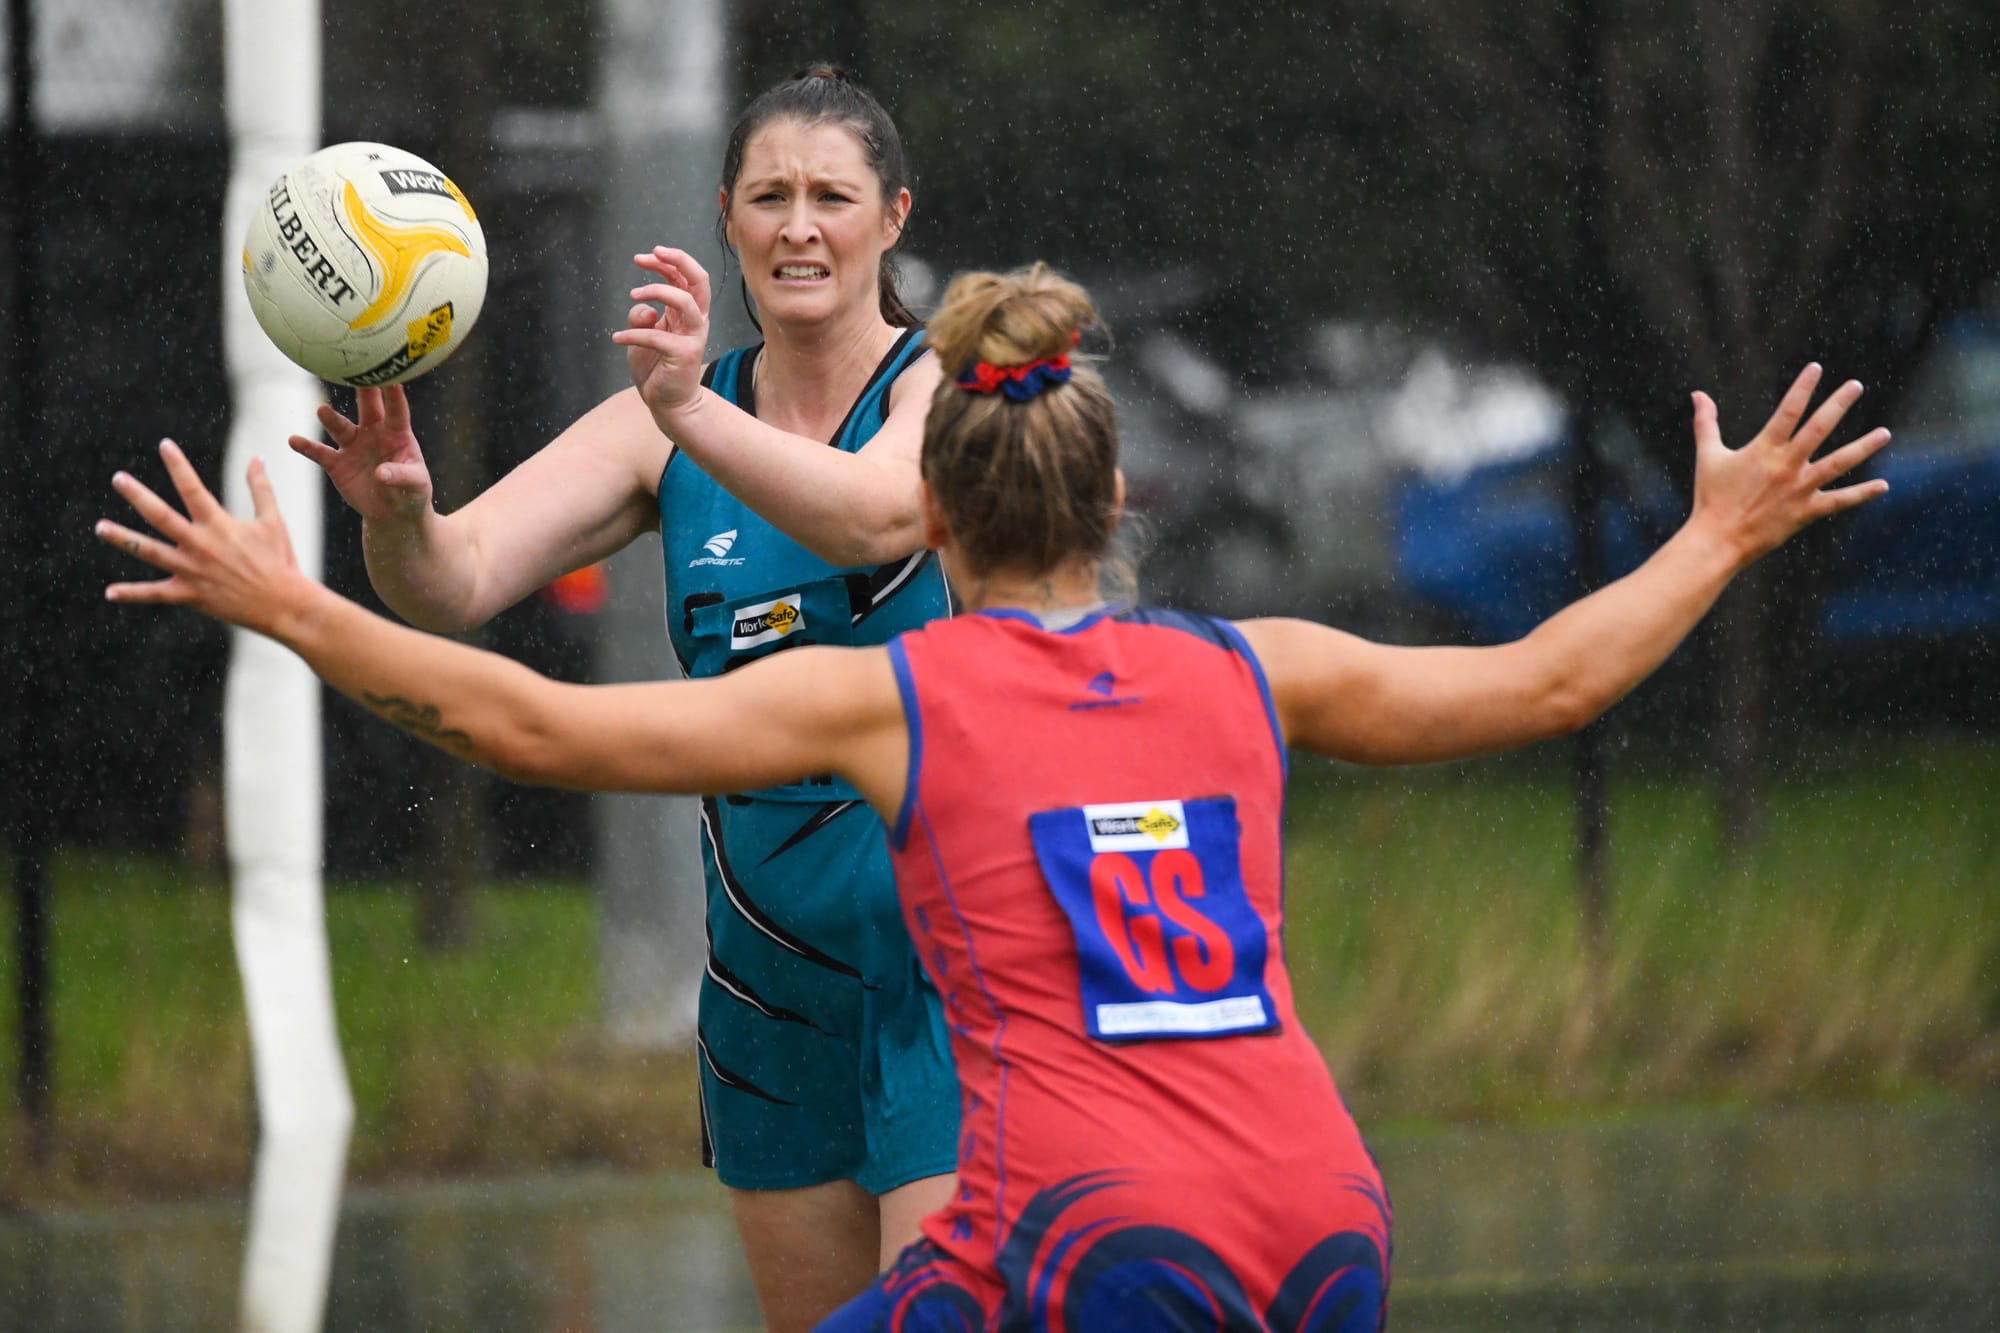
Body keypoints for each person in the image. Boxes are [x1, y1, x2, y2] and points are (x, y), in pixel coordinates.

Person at [100, 263, 1890, 1331]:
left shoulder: (896, 696)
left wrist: (291, 603)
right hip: (1324, 1207)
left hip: (1092, 1226)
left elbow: (534, 729)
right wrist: (1721, 526)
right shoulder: (1250, 666)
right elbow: (1554, 678)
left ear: (929, 519)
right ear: (1120, 506)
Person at [285, 67, 958, 1330]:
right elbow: (454, 582)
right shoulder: (662, 425)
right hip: (768, 988)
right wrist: (400, 514)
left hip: (947, 970)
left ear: (894, 217)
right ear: (725, 216)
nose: (798, 225)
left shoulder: (948, 393)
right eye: (768, 196)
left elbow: (878, 513)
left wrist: (690, 407)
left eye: (831, 195)